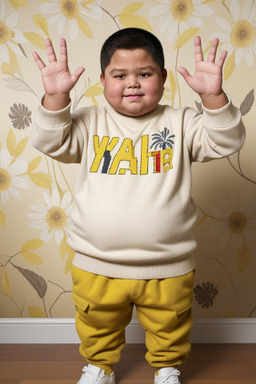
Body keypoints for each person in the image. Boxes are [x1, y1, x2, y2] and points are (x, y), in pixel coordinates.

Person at [32, 28, 245, 384]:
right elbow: (50, 142)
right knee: (96, 322)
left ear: (163, 78)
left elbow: (227, 140)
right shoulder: (88, 122)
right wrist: (55, 99)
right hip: (95, 260)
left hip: (168, 262)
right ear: (102, 81)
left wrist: (214, 97)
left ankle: (167, 368)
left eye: (144, 74)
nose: (132, 84)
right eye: (120, 76)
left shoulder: (181, 122)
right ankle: (99, 366)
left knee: (170, 323)